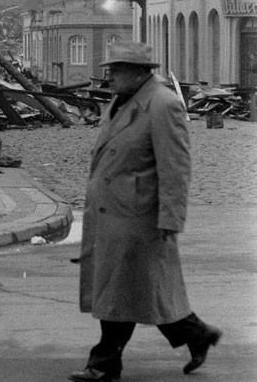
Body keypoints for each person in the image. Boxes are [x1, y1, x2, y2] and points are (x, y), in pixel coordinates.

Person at [69, 41, 221, 382]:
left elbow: (175, 168)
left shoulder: (163, 104)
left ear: (139, 72)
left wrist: (171, 218)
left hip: (138, 216)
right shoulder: (122, 102)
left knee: (120, 291)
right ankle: (197, 335)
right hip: (114, 213)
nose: (109, 76)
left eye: (117, 70)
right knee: (140, 290)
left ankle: (104, 363)